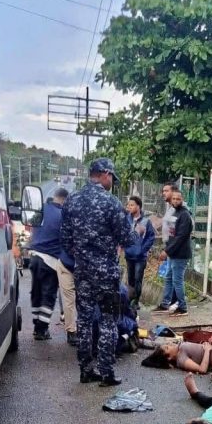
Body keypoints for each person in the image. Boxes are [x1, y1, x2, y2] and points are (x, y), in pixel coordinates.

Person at [61, 158, 135, 386]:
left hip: (82, 271)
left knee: (83, 321)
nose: (112, 181)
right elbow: (128, 239)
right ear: (104, 174)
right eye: (111, 176)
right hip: (106, 273)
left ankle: (85, 370)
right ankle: (106, 373)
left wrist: (83, 256)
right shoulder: (111, 203)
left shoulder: (71, 201)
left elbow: (65, 240)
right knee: (108, 321)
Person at [140, 324, 212, 372]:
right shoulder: (181, 359)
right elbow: (202, 369)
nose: (170, 345)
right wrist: (206, 351)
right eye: (167, 347)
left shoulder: (180, 348)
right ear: (169, 357)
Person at [44, 188, 77, 346]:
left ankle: (72, 331)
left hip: (66, 262)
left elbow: (62, 241)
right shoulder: (85, 221)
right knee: (77, 300)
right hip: (74, 264)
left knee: (69, 300)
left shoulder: (64, 218)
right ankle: (74, 330)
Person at [28, 195, 62, 340]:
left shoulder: (40, 210)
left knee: (36, 292)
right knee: (48, 295)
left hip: (34, 257)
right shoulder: (62, 215)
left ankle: (36, 325)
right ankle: (42, 330)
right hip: (50, 260)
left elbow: (32, 229)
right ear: (63, 200)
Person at [153, 189, 192, 316]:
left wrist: (167, 251)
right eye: (174, 199)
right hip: (173, 253)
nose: (175, 201)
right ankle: (165, 304)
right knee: (168, 278)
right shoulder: (174, 212)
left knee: (177, 281)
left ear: (182, 200)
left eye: (178, 199)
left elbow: (180, 237)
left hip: (180, 254)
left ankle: (183, 307)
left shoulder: (185, 215)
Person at [123, 195, 155, 309]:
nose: (129, 207)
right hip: (129, 254)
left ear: (138, 206)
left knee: (138, 278)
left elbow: (151, 236)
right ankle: (129, 300)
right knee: (130, 279)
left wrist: (143, 249)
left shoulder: (146, 221)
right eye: (128, 205)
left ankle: (136, 301)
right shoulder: (126, 219)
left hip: (140, 257)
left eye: (132, 205)